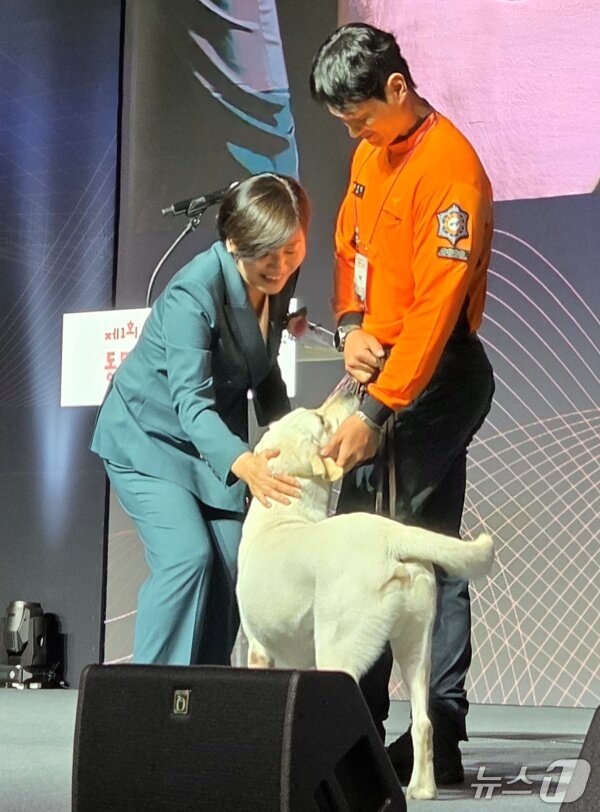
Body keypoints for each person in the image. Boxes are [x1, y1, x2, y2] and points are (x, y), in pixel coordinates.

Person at [310, 23, 495, 785]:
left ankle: (426, 731)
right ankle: (379, 727)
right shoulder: (370, 153)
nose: (353, 132)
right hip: (381, 370)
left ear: (396, 88)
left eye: (357, 116)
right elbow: (351, 247)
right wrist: (350, 327)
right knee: (417, 547)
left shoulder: (450, 169)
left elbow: (434, 314)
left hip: (435, 378)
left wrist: (374, 411)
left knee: (405, 551)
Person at [91, 173, 310, 667]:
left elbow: (263, 363)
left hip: (213, 445)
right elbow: (190, 403)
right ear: (233, 242)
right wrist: (245, 462)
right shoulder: (194, 294)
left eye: (291, 249)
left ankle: (206, 697)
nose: (280, 265)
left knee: (239, 563)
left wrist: (289, 437)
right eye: (267, 254)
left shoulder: (278, 272)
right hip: (149, 441)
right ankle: (147, 700)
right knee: (187, 558)